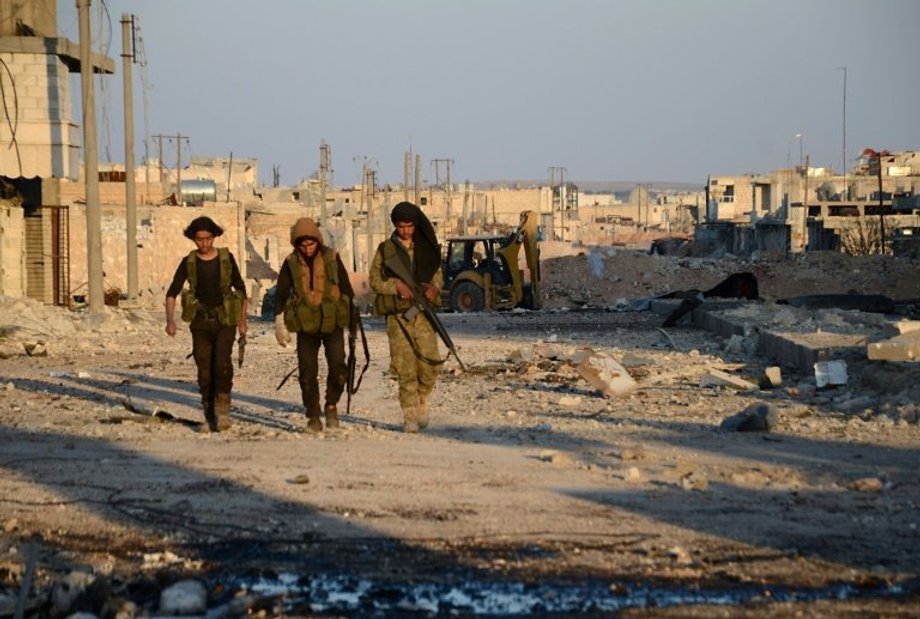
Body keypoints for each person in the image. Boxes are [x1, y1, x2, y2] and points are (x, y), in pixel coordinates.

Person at [165, 216, 248, 432]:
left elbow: (240, 290)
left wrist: (242, 323)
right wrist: (170, 321)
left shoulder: (226, 258)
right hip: (200, 323)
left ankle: (222, 412)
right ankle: (208, 414)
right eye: (199, 239)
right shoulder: (189, 262)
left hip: (224, 321)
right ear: (193, 239)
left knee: (222, 365)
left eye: (208, 239)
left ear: (214, 237)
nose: (204, 243)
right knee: (204, 370)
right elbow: (172, 292)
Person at [273, 217, 355, 432]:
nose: (307, 248)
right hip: (305, 326)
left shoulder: (331, 258)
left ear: (317, 241)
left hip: (332, 323)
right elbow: (281, 291)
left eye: (311, 244)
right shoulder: (291, 262)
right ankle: (312, 415)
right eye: (303, 244)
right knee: (307, 372)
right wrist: (278, 320)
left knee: (339, 367)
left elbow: (346, 288)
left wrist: (353, 322)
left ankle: (331, 405)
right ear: (296, 244)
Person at [369, 201, 444, 433]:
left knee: (430, 362)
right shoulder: (385, 250)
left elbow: (438, 275)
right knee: (405, 366)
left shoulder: (426, 248)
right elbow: (375, 281)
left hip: (423, 314)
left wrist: (434, 288)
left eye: (410, 226)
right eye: (401, 226)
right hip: (398, 316)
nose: (406, 231)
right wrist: (396, 285)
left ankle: (423, 399)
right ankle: (410, 414)